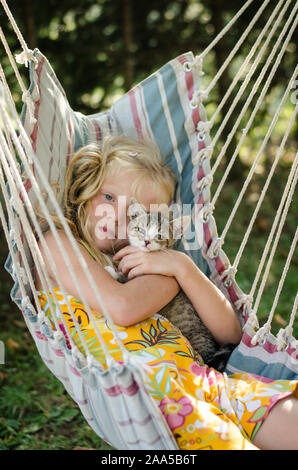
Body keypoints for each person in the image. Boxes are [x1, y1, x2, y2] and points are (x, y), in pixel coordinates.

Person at [35, 135, 298, 450]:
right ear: (87, 186)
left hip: (210, 382)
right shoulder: (58, 244)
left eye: (136, 212)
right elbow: (122, 307)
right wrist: (171, 277)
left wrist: (182, 266)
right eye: (108, 196)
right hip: (156, 394)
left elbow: (230, 333)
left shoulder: (154, 260)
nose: (118, 216)